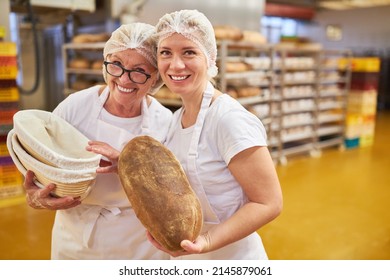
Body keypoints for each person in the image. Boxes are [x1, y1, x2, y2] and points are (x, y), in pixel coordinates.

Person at [22, 22, 172, 259]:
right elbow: (39, 167)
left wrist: (127, 165)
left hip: (137, 243)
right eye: (117, 65)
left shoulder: (164, 122)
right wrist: (36, 196)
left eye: (139, 71)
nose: (124, 79)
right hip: (74, 237)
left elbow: (169, 193)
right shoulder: (75, 107)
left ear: (155, 76)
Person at [148, 9, 283, 259]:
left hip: (231, 257)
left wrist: (208, 241)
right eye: (166, 53)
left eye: (189, 52)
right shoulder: (177, 119)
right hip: (189, 253)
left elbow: (269, 203)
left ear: (210, 58)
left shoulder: (228, 119)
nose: (175, 65)